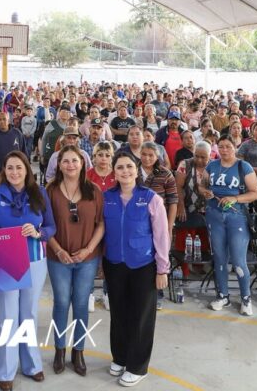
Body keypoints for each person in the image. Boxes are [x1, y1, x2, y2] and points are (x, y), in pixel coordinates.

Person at [0, 151, 56, 391]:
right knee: (8, 316)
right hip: (6, 263)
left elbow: (51, 226)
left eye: (19, 167)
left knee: (29, 314)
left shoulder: (40, 193)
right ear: (4, 171)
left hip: (35, 260)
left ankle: (32, 365)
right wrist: (0, 242)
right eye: (10, 168)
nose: (14, 172)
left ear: (27, 169)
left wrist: (38, 233)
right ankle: (6, 371)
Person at [102, 151, 170, 387]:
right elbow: (101, 229)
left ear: (137, 170)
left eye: (129, 167)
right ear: (114, 172)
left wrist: (162, 269)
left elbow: (161, 235)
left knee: (141, 317)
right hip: (114, 264)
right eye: (120, 167)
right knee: (118, 313)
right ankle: (120, 357)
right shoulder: (107, 198)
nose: (125, 171)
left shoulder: (151, 198)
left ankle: (137, 367)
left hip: (143, 266)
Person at [46, 145, 104, 377]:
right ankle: (59, 350)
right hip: (58, 257)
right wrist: (58, 250)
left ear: (83, 164)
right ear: (59, 165)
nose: (70, 165)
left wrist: (88, 249)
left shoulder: (94, 190)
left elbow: (101, 224)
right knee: (61, 302)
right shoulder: (50, 191)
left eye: (75, 161)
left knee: (80, 304)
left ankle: (78, 351)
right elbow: (44, 225)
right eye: (66, 161)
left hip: (87, 258)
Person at [199, 135, 257, 315]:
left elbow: (255, 193)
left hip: (236, 216)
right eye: (221, 147)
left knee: (238, 259)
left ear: (235, 147)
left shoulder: (243, 166)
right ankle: (222, 296)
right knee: (219, 258)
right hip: (214, 215)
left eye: (228, 146)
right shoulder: (212, 166)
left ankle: (246, 298)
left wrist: (235, 198)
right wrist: (205, 192)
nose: (224, 150)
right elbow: (201, 186)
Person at [174, 141, 212, 278]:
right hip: (188, 206)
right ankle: (183, 269)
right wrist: (180, 206)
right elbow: (178, 186)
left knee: (204, 238)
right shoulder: (185, 164)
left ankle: (199, 267)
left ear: (210, 156)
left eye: (203, 157)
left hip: (207, 208)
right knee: (185, 237)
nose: (199, 160)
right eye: (197, 156)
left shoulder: (213, 166)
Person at [0, 112, 26, 180]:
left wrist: (24, 168)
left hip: (17, 172)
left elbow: (24, 152)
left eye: (4, 119)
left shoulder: (17, 133)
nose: (2, 121)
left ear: (8, 121)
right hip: (0, 174)